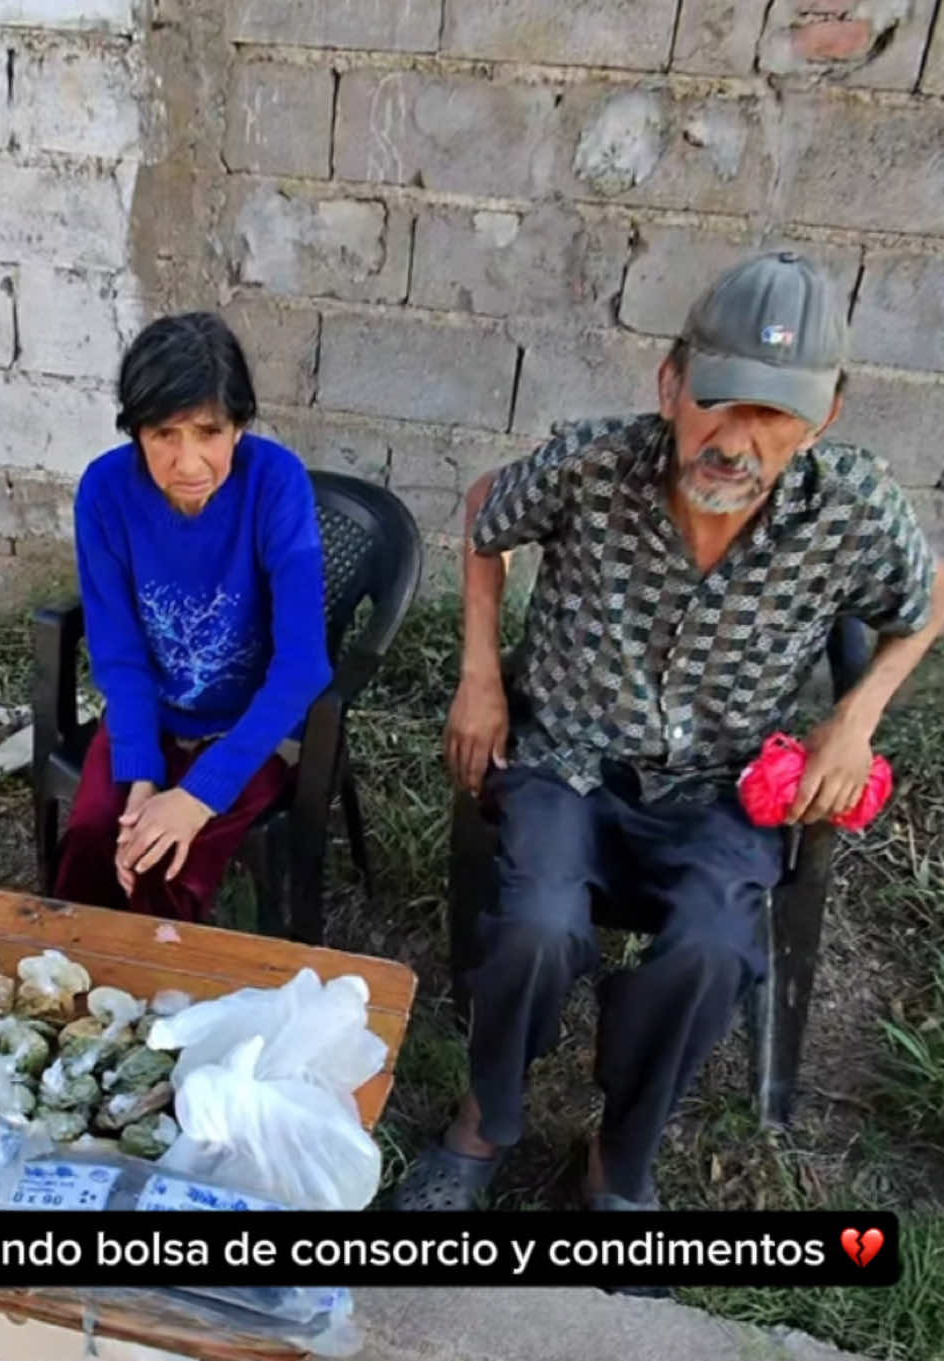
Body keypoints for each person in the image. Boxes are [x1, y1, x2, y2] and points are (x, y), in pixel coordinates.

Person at [389, 251, 943, 1215]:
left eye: (775, 416)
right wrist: (480, 674)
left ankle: (619, 1155)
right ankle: (486, 1116)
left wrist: (855, 717)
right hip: (568, 760)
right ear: (671, 384)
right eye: (717, 403)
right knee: (535, 926)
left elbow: (924, 599)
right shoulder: (595, 464)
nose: (737, 441)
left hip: (721, 785)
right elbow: (486, 508)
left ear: (824, 417)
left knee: (713, 950)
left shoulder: (848, 508)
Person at [54, 312, 332, 922]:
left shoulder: (276, 485)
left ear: (239, 427)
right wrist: (141, 777)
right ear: (135, 432)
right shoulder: (105, 493)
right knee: (97, 840)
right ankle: (72, 973)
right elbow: (120, 654)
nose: (188, 462)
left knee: (165, 870)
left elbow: (303, 666)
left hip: (251, 731)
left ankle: (166, 979)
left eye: (209, 432)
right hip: (151, 717)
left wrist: (198, 796)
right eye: (164, 434)